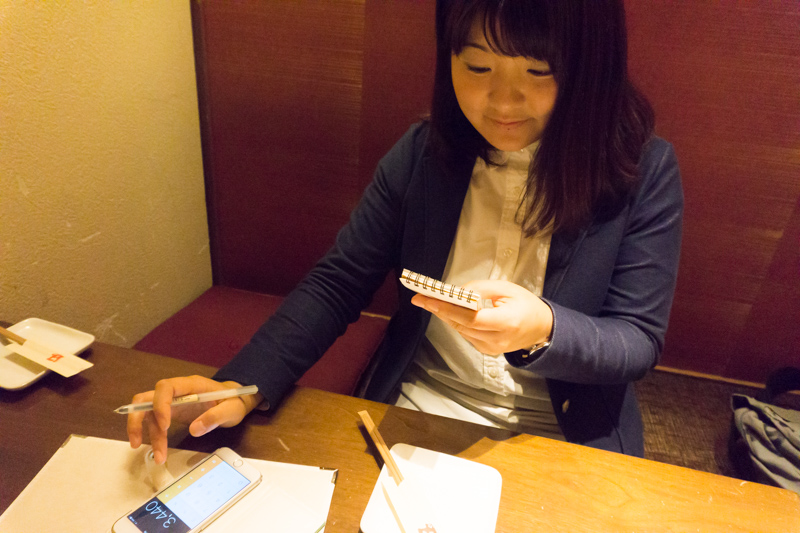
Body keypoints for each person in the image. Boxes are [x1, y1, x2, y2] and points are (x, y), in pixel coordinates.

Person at [127, 0, 683, 464]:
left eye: (538, 72)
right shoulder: (424, 154)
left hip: (566, 433)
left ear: (590, 67)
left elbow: (637, 339)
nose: (502, 101)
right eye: (478, 67)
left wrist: (544, 328)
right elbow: (339, 282)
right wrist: (244, 383)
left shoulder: (643, 172)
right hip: (421, 404)